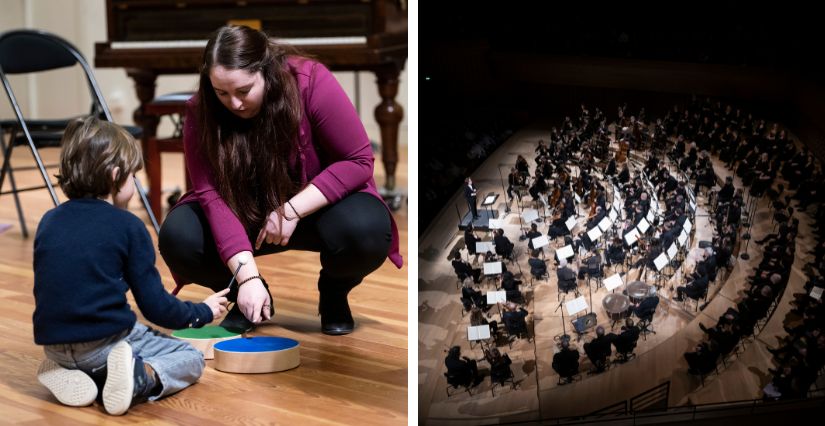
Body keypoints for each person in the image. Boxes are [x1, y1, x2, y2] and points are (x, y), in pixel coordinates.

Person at [157, 25, 402, 336]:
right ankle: (249, 297)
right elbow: (210, 194)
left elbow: (358, 160)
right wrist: (247, 278)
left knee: (366, 231)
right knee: (179, 237)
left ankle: (334, 292)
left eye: (244, 90)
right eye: (222, 93)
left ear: (267, 72)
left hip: (313, 207)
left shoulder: (310, 81)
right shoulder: (200, 110)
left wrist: (291, 211)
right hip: (244, 212)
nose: (234, 103)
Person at [33, 117, 229, 415]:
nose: (136, 184)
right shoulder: (129, 226)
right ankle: (142, 377)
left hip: (55, 346)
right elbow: (156, 307)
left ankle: (72, 372)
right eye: (133, 176)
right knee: (188, 356)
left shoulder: (48, 221)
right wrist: (202, 312)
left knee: (115, 341)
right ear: (115, 176)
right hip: (102, 345)